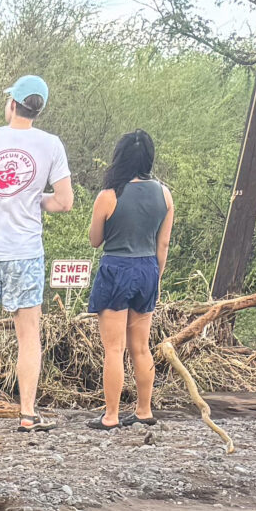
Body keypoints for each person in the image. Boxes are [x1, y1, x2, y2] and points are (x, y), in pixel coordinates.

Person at [0, 75, 74, 434]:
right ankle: (26, 413)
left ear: (12, 104)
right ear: (38, 109)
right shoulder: (51, 145)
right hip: (25, 253)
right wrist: (36, 200)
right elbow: (65, 202)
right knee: (29, 335)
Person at [86, 129, 174, 430]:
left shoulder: (108, 196)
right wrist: (156, 278)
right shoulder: (164, 194)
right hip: (148, 268)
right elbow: (163, 244)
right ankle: (143, 410)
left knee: (114, 348)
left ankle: (110, 415)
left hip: (116, 269)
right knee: (141, 347)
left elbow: (95, 240)